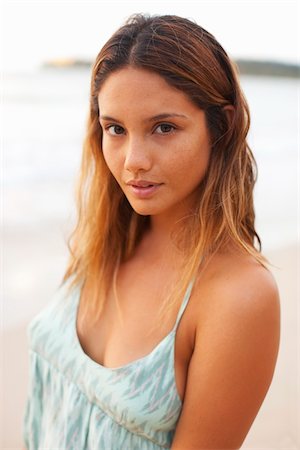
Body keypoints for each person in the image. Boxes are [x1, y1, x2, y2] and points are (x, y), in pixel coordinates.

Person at [23, 13, 280, 450]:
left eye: (164, 127)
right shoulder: (105, 239)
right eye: (115, 129)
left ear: (222, 126)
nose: (133, 160)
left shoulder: (237, 296)